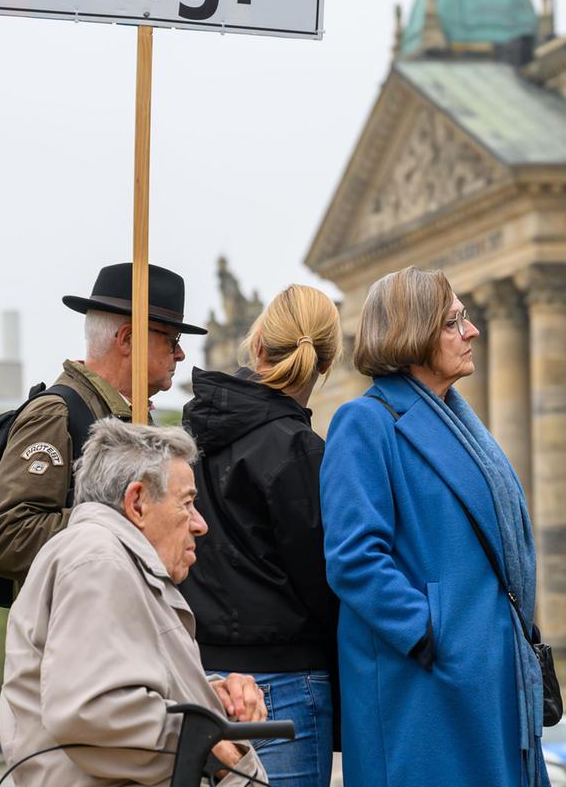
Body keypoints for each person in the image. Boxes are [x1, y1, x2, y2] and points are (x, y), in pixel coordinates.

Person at [322, 267, 550, 787]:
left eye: (464, 319)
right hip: (423, 691)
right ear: (412, 334)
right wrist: (431, 633)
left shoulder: (460, 421)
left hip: (485, 679)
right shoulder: (365, 422)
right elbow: (354, 557)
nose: (471, 332)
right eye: (453, 322)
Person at [0, 418, 268, 787]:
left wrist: (208, 700)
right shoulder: (99, 559)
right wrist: (208, 744)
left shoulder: (109, 559)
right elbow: (92, 711)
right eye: (187, 503)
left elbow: (110, 692)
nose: (199, 524)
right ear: (137, 503)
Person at [180, 284, 342, 787]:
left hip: (203, 678)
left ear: (257, 349)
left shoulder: (189, 441)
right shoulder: (300, 451)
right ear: (327, 363)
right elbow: (324, 582)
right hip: (287, 680)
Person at [0, 262, 200, 586]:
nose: (180, 353)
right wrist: (127, 520)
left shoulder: (133, 416)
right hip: (76, 626)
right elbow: (4, 538)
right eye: (171, 338)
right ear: (128, 339)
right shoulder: (57, 414)